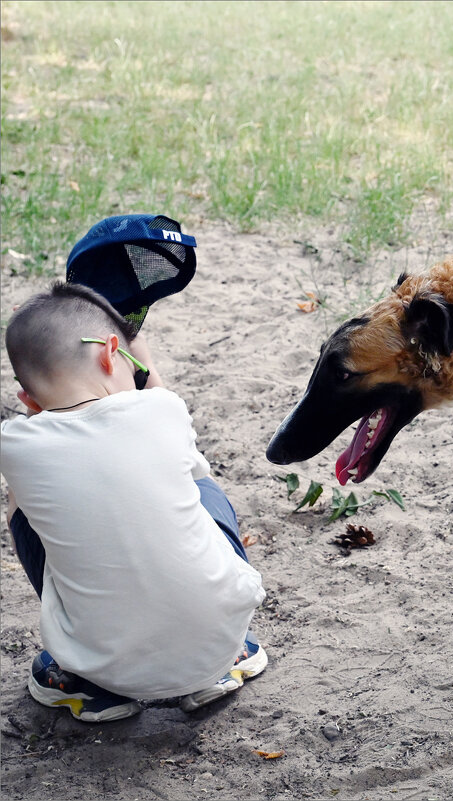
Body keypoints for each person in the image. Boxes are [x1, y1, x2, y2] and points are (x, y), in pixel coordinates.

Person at [0, 220, 267, 723]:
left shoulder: (14, 444)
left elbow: (48, 475)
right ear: (110, 355)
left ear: (26, 401)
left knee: (24, 504)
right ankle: (226, 661)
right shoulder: (162, 411)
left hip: (104, 668)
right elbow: (160, 397)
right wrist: (142, 366)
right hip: (217, 643)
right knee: (198, 482)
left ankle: (77, 678)